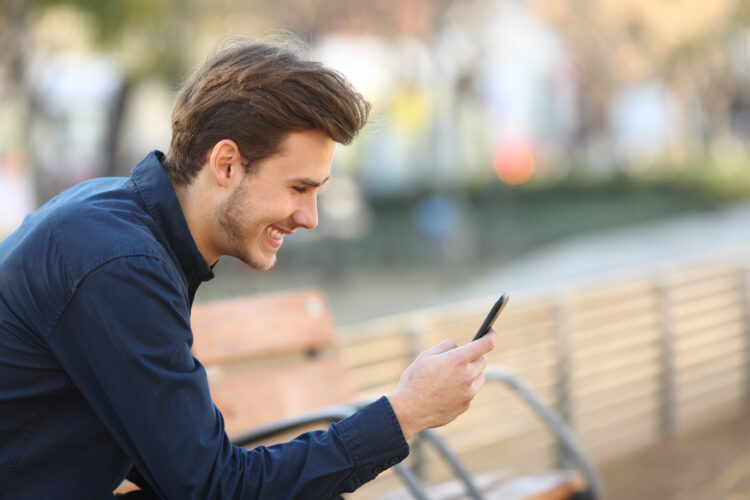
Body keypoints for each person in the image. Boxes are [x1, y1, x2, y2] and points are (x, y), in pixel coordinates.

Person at [0, 37, 497, 499]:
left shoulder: (123, 227)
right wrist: (404, 413)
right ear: (226, 165)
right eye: (298, 188)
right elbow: (213, 487)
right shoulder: (122, 264)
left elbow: (184, 470)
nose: (309, 217)